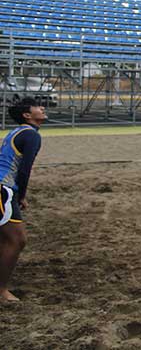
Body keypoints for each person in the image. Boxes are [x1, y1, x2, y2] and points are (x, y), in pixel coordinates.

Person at [0, 97, 46, 302]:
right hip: (4, 189)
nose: (42, 108)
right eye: (37, 106)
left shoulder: (17, 132)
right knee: (17, 240)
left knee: (5, 238)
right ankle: (1, 290)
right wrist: (21, 195)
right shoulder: (31, 135)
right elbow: (25, 169)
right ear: (27, 115)